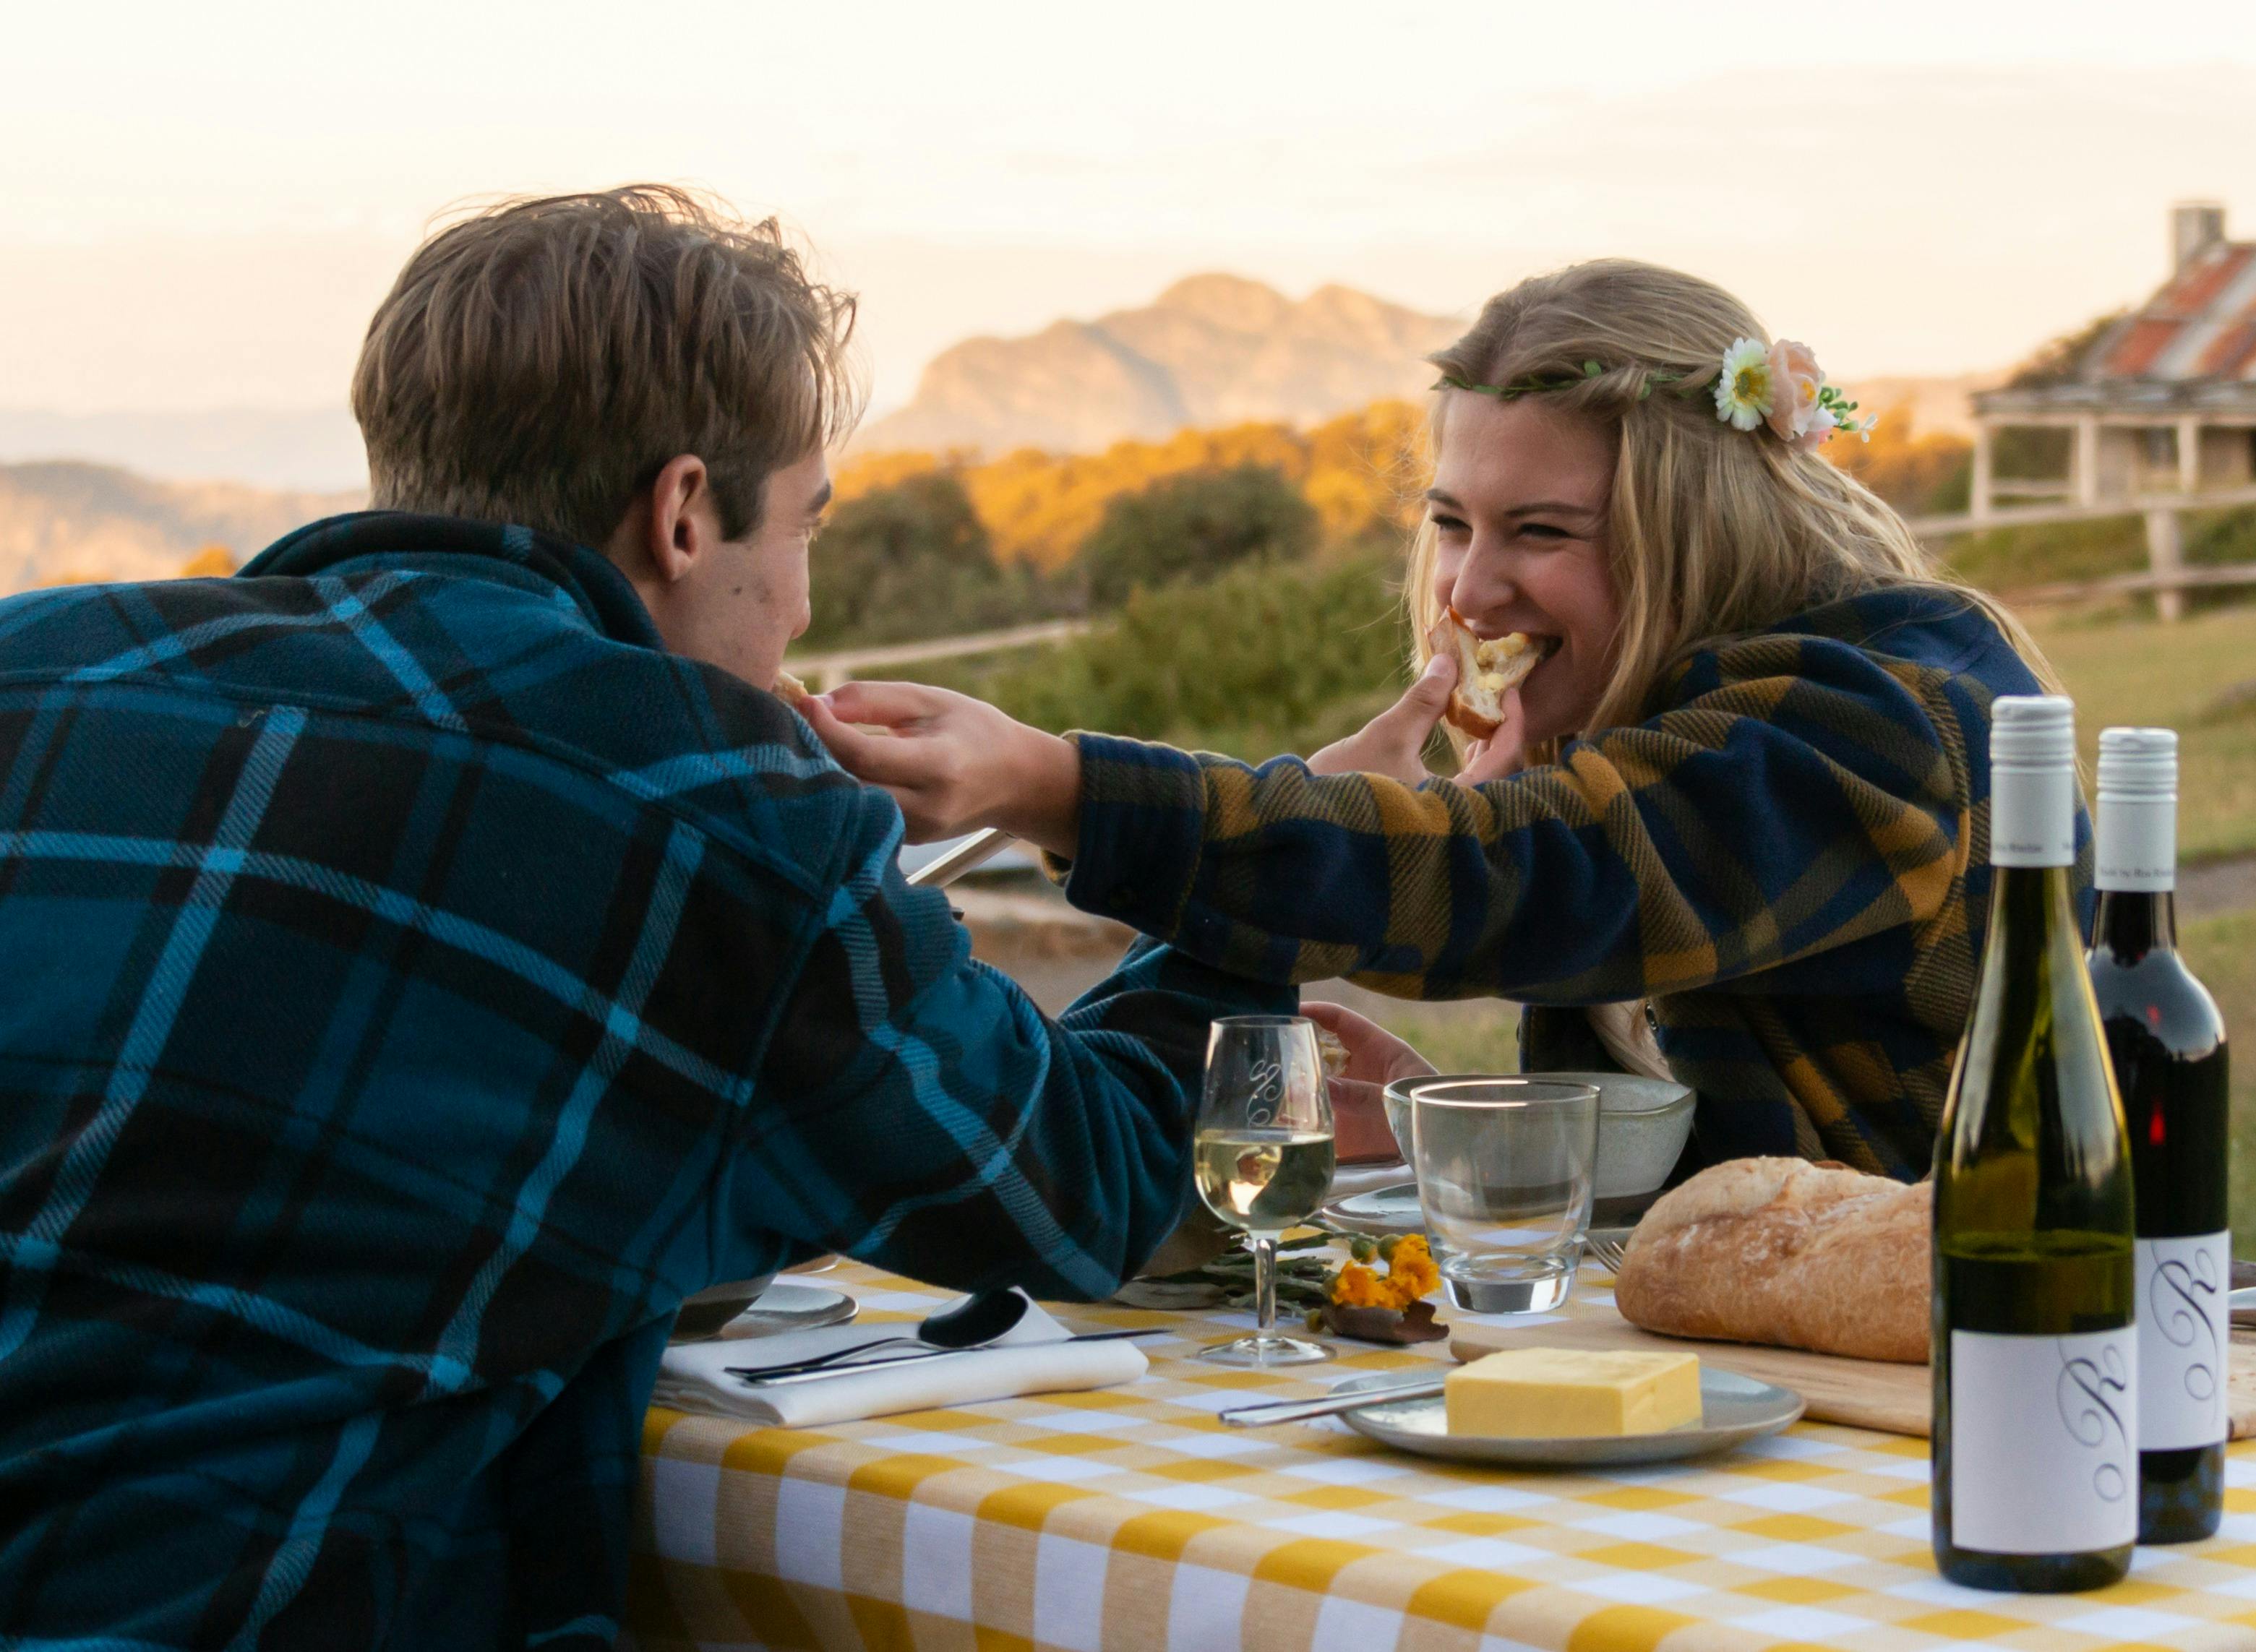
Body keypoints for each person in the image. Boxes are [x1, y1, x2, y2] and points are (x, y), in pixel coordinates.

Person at [0, 186, 1290, 1648]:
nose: (798, 609)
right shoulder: (720, 807)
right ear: (682, 513)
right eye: (805, 530)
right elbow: (1093, 1192)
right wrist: (1253, 876)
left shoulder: (31, 669)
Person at [803, 259, 2088, 1188]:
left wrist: (1056, 786)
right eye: (1453, 521)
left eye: (1540, 532)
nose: (1470, 589)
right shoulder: (1656, 710)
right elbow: (1708, 1169)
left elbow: (1521, 877)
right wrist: (1449, 1118)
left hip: (1969, 1373)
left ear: (1698, 530)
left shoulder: (1879, 728)